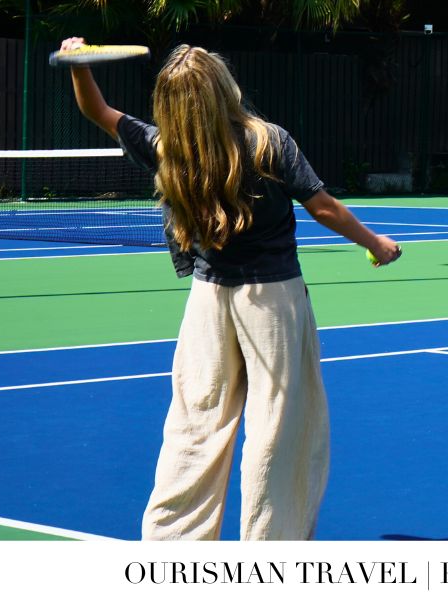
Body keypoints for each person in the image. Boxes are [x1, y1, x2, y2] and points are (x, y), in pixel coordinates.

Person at [63, 38, 401, 540]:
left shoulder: (166, 148)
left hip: (207, 302)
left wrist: (78, 65)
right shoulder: (267, 142)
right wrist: (375, 242)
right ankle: (270, 546)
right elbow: (324, 208)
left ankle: (172, 544)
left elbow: (98, 110)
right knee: (279, 427)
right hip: (273, 302)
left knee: (194, 425)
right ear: (223, 88)